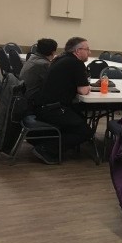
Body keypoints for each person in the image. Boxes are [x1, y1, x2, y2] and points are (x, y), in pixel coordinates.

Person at [34, 36, 93, 164]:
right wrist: (88, 86)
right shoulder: (76, 63)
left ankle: (52, 144)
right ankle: (46, 149)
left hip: (42, 106)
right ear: (77, 51)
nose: (90, 52)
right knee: (85, 131)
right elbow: (83, 90)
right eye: (87, 49)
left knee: (79, 117)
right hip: (53, 109)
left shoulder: (60, 58)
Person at [20, 38, 57, 106]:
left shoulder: (33, 58)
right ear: (53, 52)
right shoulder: (44, 64)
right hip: (32, 99)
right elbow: (53, 83)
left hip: (24, 94)